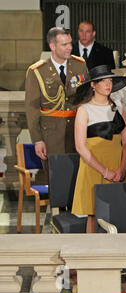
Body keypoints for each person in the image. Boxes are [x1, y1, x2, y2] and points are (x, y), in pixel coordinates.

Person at [71, 65, 126, 233]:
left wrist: (123, 167)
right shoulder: (84, 110)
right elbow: (80, 147)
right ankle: (92, 255)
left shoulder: (118, 106)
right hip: (93, 168)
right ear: (93, 85)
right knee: (93, 213)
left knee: (118, 211)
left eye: (110, 80)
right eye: (103, 81)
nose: (108, 84)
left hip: (117, 165)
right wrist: (105, 172)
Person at [25, 27, 88, 184]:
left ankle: (75, 209)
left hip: (77, 130)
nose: (70, 47)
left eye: (70, 43)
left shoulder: (80, 65)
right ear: (52, 46)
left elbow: (87, 96)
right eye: (64, 44)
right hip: (52, 134)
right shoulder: (37, 71)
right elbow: (32, 109)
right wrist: (37, 139)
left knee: (78, 176)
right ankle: (57, 208)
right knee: (57, 178)